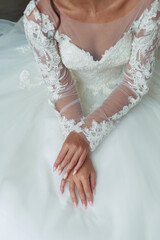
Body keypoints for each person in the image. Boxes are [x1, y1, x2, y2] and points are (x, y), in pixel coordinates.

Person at [0, 0, 160, 239]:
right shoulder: (41, 14)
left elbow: (134, 83)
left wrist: (85, 136)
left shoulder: (147, 6)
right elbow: (62, 89)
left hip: (124, 96)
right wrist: (75, 140)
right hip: (67, 104)